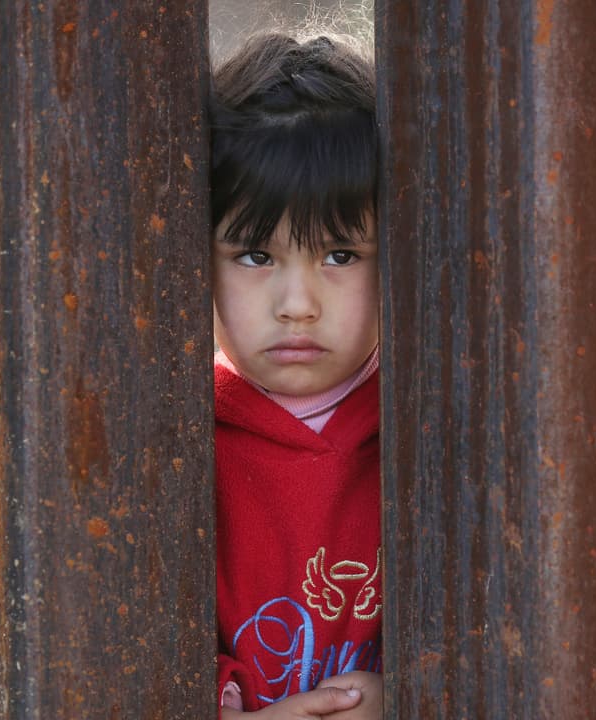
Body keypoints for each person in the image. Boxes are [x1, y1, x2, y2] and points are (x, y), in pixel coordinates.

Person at [210, 32, 383, 719]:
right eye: (255, 255)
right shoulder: (175, 439)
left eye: (340, 254)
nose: (297, 305)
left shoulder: (429, 429)